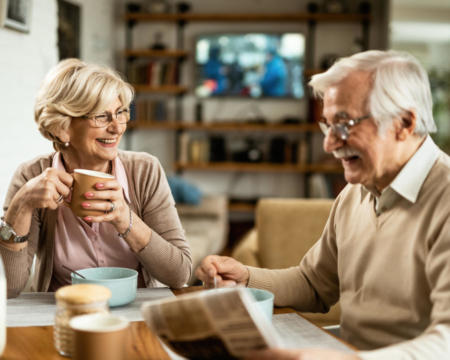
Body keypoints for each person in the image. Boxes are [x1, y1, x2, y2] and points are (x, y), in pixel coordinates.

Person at [196, 50, 450, 359]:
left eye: (345, 124)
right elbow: (314, 284)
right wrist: (247, 277)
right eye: (327, 126)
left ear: (403, 123)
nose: (329, 144)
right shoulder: (356, 193)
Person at [0, 59, 192, 298]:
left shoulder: (145, 170)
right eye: (102, 116)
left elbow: (180, 274)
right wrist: (21, 205)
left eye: (120, 113)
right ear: (63, 127)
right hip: (63, 312)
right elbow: (8, 287)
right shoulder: (31, 175)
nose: (117, 127)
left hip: (133, 312)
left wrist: (125, 219)